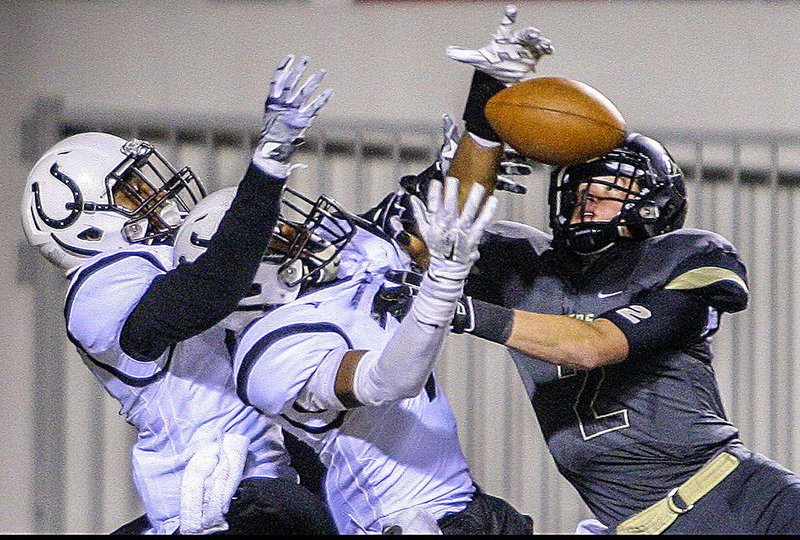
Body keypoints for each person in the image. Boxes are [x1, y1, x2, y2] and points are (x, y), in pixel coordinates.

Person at [436, 6, 800, 534]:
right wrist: (483, 114)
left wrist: (467, 313)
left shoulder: (686, 255)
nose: (588, 202)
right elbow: (446, 231)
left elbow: (593, 346)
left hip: (744, 504)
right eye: (582, 191)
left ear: (654, 205)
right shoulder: (525, 262)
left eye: (608, 194)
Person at [21, 55, 338, 535]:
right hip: (207, 502)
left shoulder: (155, 260)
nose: (153, 194)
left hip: (258, 483)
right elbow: (210, 291)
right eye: (129, 190)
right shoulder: (96, 293)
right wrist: (267, 168)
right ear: (74, 221)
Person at [228, 133, 541, 533]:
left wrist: (484, 113)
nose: (304, 237)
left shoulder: (352, 265)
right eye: (283, 240)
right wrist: (442, 285)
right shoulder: (273, 351)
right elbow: (388, 381)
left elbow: (425, 215)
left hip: (466, 503)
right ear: (252, 281)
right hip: (397, 522)